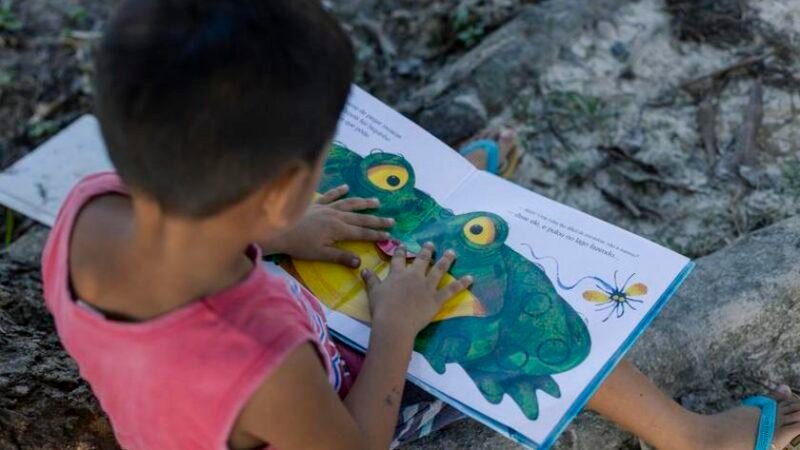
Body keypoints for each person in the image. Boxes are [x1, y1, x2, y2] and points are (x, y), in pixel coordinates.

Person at [40, 1, 800, 449]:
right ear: (281, 188)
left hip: (214, 356)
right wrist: (398, 322)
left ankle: (440, 190)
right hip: (325, 401)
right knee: (495, 306)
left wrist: (278, 235)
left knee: (397, 228)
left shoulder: (89, 214)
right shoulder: (264, 363)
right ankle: (688, 435)